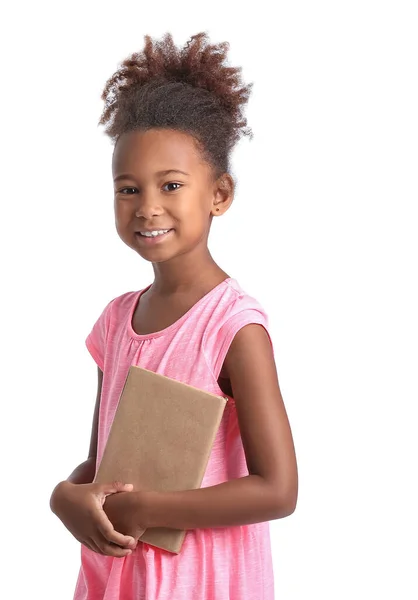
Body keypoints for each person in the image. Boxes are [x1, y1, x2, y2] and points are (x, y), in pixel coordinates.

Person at [50, 31, 298, 600]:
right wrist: (65, 495)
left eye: (172, 185)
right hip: (119, 572)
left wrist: (149, 508)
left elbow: (278, 489)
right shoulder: (114, 322)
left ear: (220, 194)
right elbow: (102, 459)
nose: (148, 207)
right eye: (128, 189)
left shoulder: (234, 326)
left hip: (201, 579)